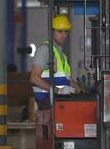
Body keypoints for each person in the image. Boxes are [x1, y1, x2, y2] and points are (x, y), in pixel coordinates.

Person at [30, 15, 81, 148]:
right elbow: (34, 78)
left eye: (66, 31)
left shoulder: (62, 55)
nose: (63, 35)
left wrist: (81, 89)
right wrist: (57, 90)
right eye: (60, 31)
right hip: (47, 103)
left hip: (59, 101)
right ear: (52, 31)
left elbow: (66, 81)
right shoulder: (45, 50)